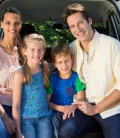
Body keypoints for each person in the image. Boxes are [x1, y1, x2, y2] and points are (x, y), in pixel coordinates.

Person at [58, 3, 120, 138]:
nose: (77, 29)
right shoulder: (71, 49)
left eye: (80, 23)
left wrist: (96, 108)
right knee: (66, 132)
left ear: (89, 21)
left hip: (112, 109)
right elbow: (66, 77)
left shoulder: (112, 45)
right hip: (82, 107)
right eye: (72, 26)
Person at [12, 33, 53, 138]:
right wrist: (18, 131)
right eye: (32, 50)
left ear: (44, 51)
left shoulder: (45, 69)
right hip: (26, 120)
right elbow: (16, 105)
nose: (36, 53)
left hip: (44, 117)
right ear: (24, 51)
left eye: (40, 50)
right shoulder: (19, 74)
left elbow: (47, 90)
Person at [46, 44, 85, 138]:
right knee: (52, 123)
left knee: (68, 128)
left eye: (67, 61)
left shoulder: (77, 78)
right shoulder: (52, 79)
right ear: (54, 64)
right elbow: (46, 102)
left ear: (72, 60)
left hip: (72, 109)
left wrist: (72, 107)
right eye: (60, 62)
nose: (64, 65)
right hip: (55, 109)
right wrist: (62, 109)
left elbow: (81, 98)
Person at [0, 7, 22, 138]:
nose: (12, 27)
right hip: (3, 107)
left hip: (24, 106)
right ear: (1, 24)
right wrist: (4, 116)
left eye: (16, 23)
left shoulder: (26, 51)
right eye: (8, 23)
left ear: (20, 24)